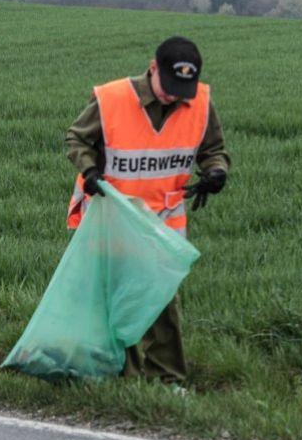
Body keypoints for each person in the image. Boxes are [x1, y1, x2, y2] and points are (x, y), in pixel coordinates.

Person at [64, 36, 231, 382]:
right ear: (153, 68)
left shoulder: (199, 101)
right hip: (112, 216)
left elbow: (213, 149)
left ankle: (168, 378)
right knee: (114, 297)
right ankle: (120, 374)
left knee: (161, 301)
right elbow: (77, 138)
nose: (174, 95)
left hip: (163, 222)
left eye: (183, 88)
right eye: (169, 86)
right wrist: (90, 170)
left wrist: (217, 172)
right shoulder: (112, 99)